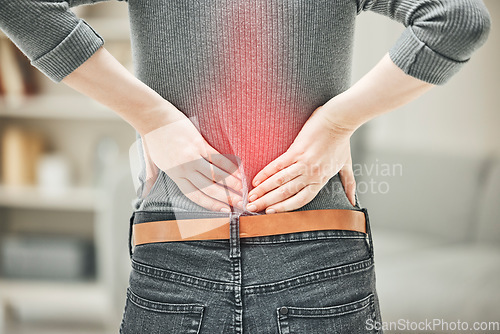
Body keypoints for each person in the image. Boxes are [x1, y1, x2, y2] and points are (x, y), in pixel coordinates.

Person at [0, 0, 492, 333]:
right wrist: (336, 123)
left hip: (182, 235)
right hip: (312, 245)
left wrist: (153, 119)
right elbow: (457, 19)